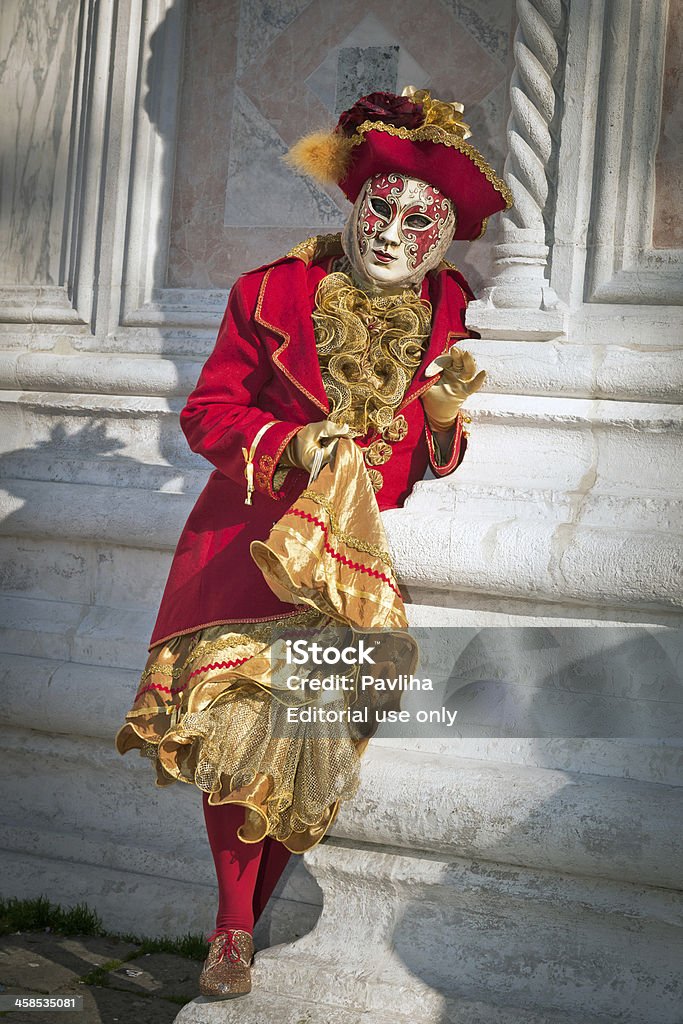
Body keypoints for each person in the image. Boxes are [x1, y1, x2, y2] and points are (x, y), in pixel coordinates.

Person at [115, 88, 511, 998]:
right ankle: (228, 927)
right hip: (247, 547)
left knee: (313, 739)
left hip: (348, 568)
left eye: (420, 220)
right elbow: (208, 412)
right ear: (354, 199)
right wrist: (286, 441)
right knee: (238, 739)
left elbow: (412, 467)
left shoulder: (447, 308)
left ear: (444, 232)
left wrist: (443, 419)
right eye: (380, 205)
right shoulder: (271, 292)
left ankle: (249, 917)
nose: (392, 231)